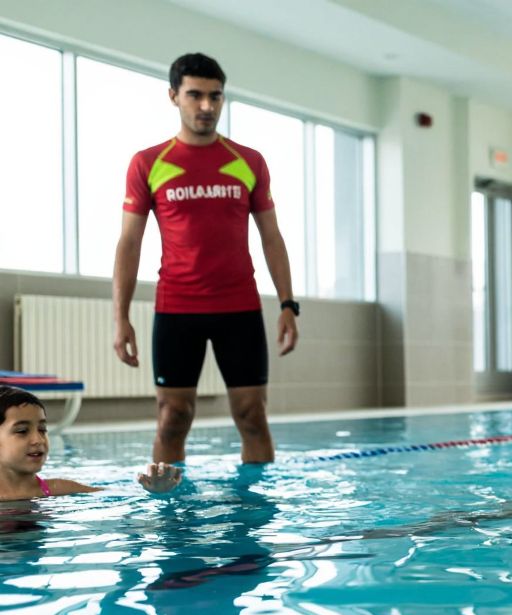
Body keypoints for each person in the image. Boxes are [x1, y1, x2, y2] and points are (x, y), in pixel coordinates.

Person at [112, 52, 299, 465]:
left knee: (253, 416)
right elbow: (129, 242)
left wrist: (287, 304)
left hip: (240, 307)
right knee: (172, 416)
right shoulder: (149, 163)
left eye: (215, 97)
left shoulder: (249, 162)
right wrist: (120, 316)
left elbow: (271, 236)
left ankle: (253, 518)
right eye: (195, 95)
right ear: (173, 96)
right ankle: (171, 521)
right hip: (178, 307)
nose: (206, 106)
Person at [0, 386, 182, 500]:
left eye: (42, 429)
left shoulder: (58, 489)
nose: (38, 440)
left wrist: (157, 491)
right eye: (22, 431)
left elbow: (116, 495)